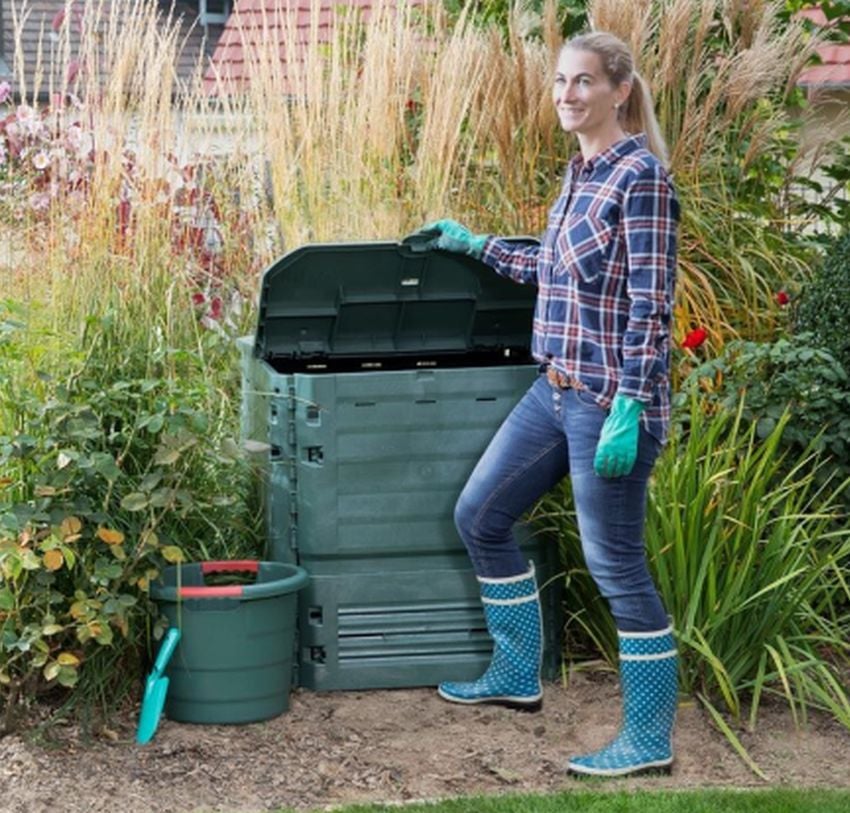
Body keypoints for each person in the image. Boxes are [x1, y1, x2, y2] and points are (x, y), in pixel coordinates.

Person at [422, 30, 680, 778]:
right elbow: (552, 267)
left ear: (619, 90)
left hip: (607, 401)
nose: (567, 95)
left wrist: (631, 403)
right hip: (555, 389)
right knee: (480, 513)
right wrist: (476, 245)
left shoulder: (641, 180)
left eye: (584, 82)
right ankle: (514, 672)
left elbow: (650, 307)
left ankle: (648, 737)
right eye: (560, 82)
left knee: (618, 568)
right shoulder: (579, 173)